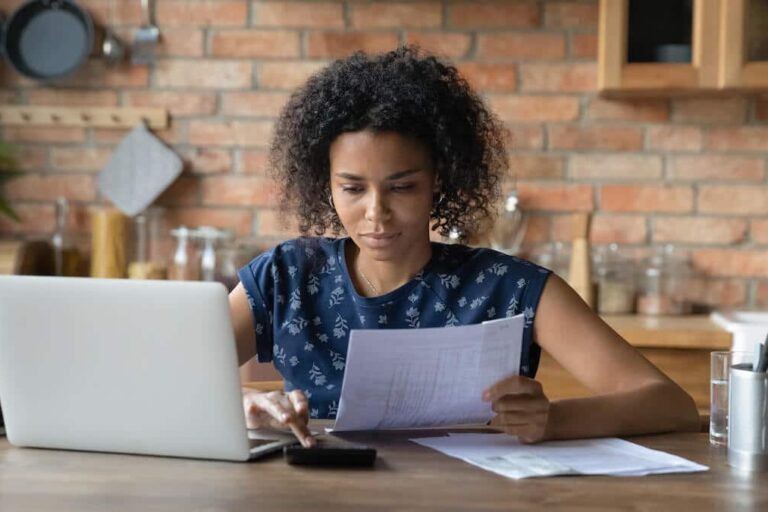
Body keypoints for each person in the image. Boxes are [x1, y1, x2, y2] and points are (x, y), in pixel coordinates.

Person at [228, 46, 699, 448]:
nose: (376, 213)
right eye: (353, 189)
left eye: (402, 187)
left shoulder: (509, 288)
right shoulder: (286, 276)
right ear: (324, 185)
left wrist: (555, 420)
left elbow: (668, 404)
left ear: (440, 181)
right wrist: (239, 403)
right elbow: (164, 376)